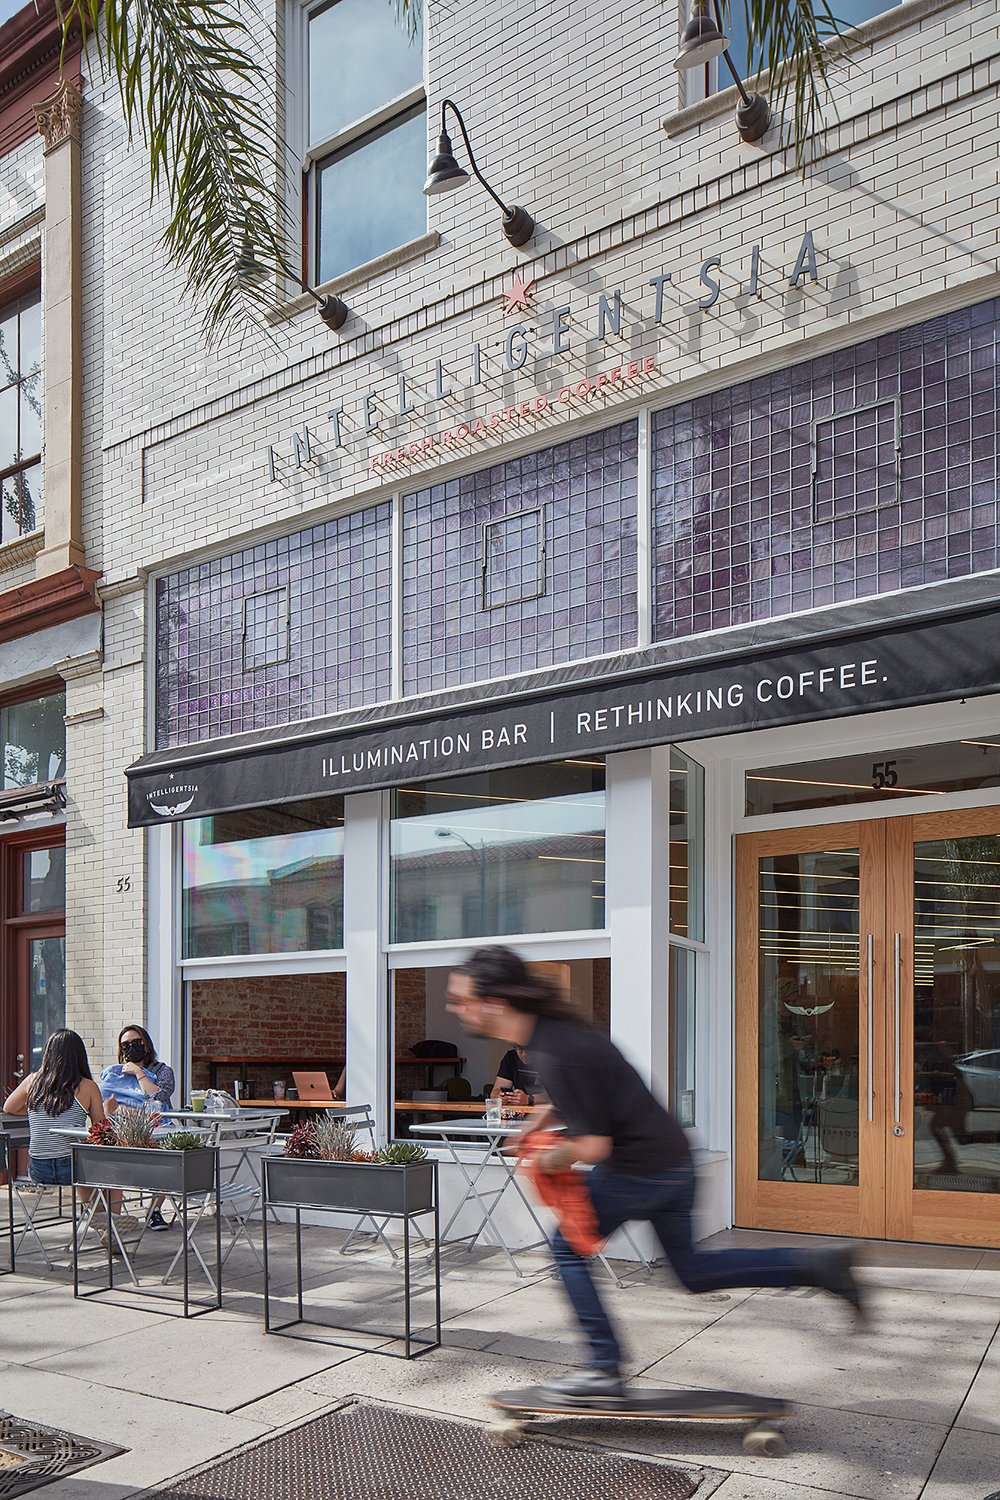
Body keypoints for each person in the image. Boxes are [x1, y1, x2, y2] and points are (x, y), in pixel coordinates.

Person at [446, 945, 866, 1404]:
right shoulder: (556, 1037)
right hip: (671, 1163)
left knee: (566, 1250)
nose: (456, 1009)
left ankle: (603, 1369)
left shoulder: (557, 1049)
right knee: (693, 1273)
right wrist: (535, 1126)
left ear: (496, 1003)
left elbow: (593, 1146)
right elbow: (571, 1099)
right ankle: (818, 1265)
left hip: (639, 1169)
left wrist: (541, 1159)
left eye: (463, 1000)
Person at [3, 1030, 104, 1204]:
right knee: (106, 1174)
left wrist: (37, 1109)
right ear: (79, 1055)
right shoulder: (87, 1086)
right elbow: (100, 1129)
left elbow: (9, 1107)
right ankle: (101, 1220)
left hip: (38, 1169)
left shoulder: (32, 1081)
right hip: (71, 1168)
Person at [100, 1024, 176, 1230]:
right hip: (124, 1131)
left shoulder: (163, 1071)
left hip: (157, 1129)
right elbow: (107, 1103)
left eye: (135, 1042)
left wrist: (139, 1073)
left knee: (170, 1160)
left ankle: (154, 1211)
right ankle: (112, 1220)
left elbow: (158, 1097)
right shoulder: (115, 1074)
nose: (130, 1047)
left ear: (146, 1045)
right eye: (125, 1044)